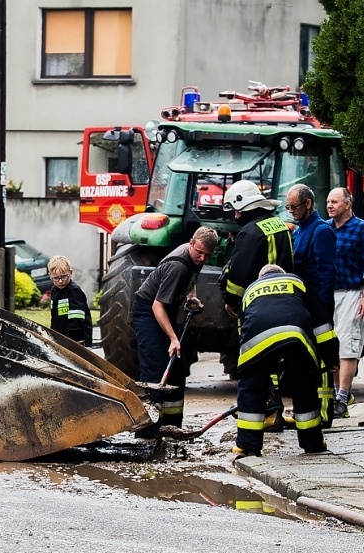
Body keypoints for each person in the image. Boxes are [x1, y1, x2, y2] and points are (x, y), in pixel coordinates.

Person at [233, 264, 336, 457]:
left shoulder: (250, 290)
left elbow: (242, 332)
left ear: (261, 277)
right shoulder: (297, 282)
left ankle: (248, 446)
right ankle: (312, 443)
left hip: (256, 339)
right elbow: (323, 326)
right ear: (281, 274)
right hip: (296, 334)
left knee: (251, 388)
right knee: (303, 384)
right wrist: (331, 359)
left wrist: (261, 377)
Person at [133, 226, 220, 427]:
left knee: (177, 368)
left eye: (207, 255)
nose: (203, 259)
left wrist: (191, 297)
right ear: (191, 243)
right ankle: (148, 428)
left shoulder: (196, 257)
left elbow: (192, 276)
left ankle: (171, 425)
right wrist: (173, 339)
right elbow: (157, 306)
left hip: (167, 309)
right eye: (199, 252)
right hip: (149, 310)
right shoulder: (178, 266)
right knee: (156, 368)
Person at [287, 184, 338, 423]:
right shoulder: (300, 231)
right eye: (288, 207)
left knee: (323, 361)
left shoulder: (320, 231)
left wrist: (322, 312)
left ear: (308, 204)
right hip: (304, 307)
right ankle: (309, 410)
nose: (291, 211)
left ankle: (325, 412)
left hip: (317, 308)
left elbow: (327, 275)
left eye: (294, 207)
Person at [325, 187, 364, 418]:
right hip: (329, 293)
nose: (330, 205)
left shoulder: (362, 229)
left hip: (352, 292)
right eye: (328, 201)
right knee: (331, 346)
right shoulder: (325, 228)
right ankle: (337, 394)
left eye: (335, 201)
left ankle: (342, 398)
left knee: (347, 345)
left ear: (348, 204)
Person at [220, 181, 293, 315]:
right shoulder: (280, 224)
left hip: (259, 301)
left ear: (242, 207)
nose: (235, 215)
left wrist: (230, 301)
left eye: (236, 210)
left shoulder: (250, 232)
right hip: (286, 296)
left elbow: (240, 272)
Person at [43, 255, 93, 347]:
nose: (60, 281)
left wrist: (67, 341)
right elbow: (54, 318)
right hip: (62, 339)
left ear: (70, 273)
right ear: (50, 276)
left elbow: (76, 320)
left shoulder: (74, 291)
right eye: (56, 278)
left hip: (77, 341)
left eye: (64, 277)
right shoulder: (54, 290)